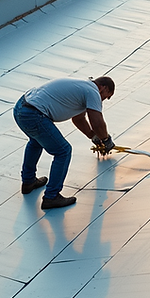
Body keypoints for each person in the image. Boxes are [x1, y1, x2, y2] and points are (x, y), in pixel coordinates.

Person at [13, 76, 115, 210]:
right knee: (63, 151)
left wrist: (93, 136)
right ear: (103, 88)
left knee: (36, 141)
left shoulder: (82, 87)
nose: (104, 100)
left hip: (21, 108)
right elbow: (97, 122)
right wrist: (106, 140)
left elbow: (78, 119)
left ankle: (28, 182)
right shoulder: (93, 92)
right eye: (107, 96)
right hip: (34, 114)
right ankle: (51, 196)